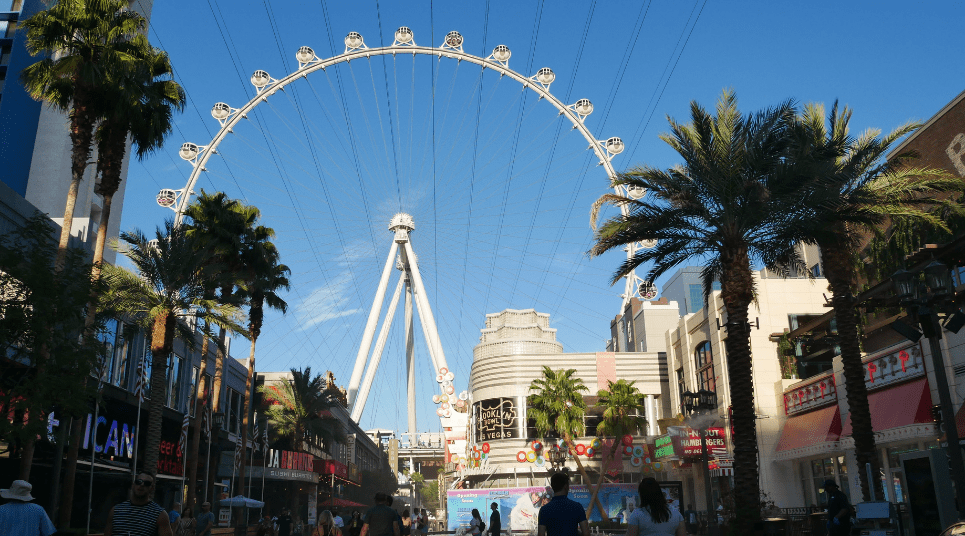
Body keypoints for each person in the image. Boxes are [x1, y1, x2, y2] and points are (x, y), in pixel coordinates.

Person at [104, 472, 174, 536]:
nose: (142, 485)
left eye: (147, 483)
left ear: (152, 488)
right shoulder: (116, 511)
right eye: (138, 482)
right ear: (133, 485)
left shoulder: (160, 515)